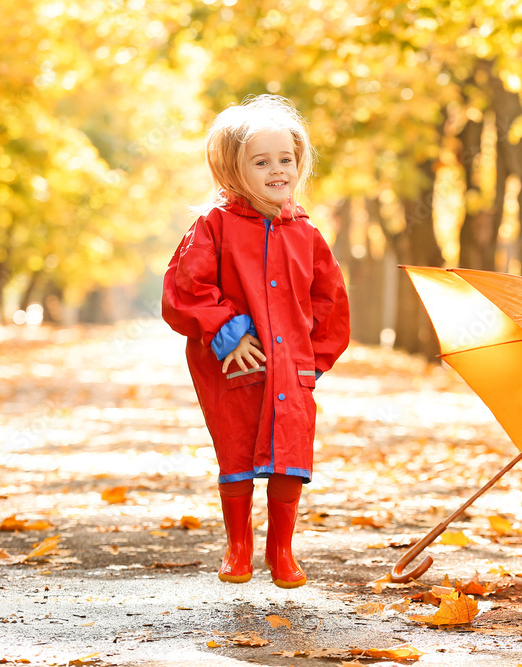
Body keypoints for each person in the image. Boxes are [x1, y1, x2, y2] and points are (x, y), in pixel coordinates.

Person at [161, 95, 350, 588]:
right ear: (232, 170)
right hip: (234, 365)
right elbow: (185, 288)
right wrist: (227, 330)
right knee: (238, 451)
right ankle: (238, 545)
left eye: (285, 159)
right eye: (261, 161)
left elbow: (330, 302)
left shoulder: (306, 235)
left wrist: (315, 363)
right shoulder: (213, 226)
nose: (276, 170)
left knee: (292, 453)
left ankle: (281, 550)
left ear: (299, 162)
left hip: (293, 367)